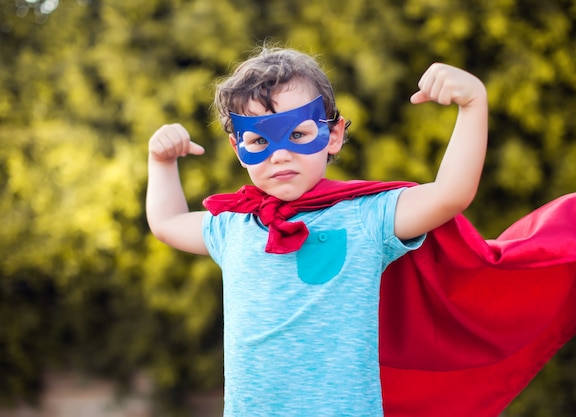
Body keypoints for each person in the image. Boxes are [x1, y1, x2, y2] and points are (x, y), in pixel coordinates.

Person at [146, 47, 487, 416]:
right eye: (260, 140)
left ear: (333, 135)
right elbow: (166, 223)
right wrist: (161, 162)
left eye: (297, 133)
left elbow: (451, 194)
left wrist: (472, 104)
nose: (279, 155)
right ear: (239, 149)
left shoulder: (365, 217)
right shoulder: (233, 226)